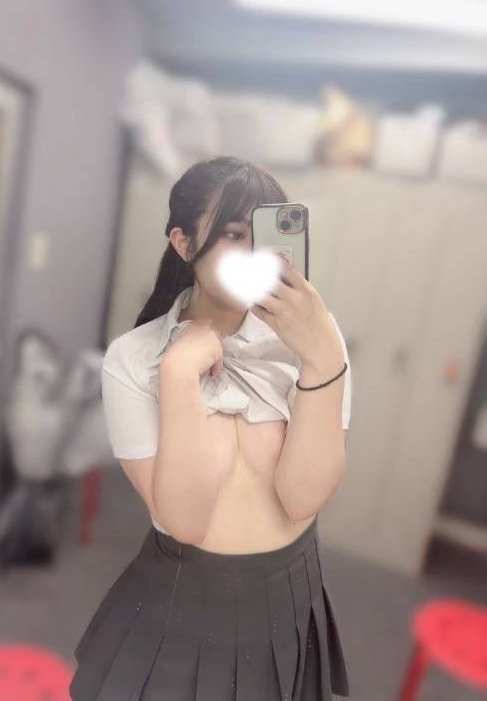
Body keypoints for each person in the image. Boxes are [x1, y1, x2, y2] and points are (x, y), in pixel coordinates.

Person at [70, 156, 352, 700]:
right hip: (182, 599)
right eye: (234, 235)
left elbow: (303, 497)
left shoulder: (317, 340)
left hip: (291, 590)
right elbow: (187, 521)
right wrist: (178, 374)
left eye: (264, 236)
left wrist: (322, 361)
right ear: (183, 243)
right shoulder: (134, 359)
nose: (255, 256)